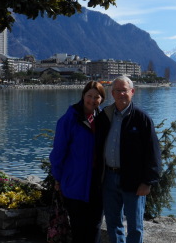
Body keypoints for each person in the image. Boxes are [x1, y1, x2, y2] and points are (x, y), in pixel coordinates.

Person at [95, 75, 161, 243]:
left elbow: (153, 152)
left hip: (134, 180)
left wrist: (148, 182)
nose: (121, 94)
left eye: (124, 90)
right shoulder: (105, 116)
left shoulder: (142, 118)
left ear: (132, 92)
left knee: (135, 226)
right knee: (113, 223)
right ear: (112, 93)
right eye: (117, 90)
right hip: (108, 178)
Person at [49, 81, 106, 243]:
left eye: (97, 97)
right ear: (83, 95)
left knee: (95, 228)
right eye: (89, 96)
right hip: (75, 182)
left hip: (97, 183)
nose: (92, 100)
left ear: (102, 99)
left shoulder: (102, 120)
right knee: (79, 228)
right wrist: (58, 178)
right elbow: (58, 153)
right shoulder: (69, 120)